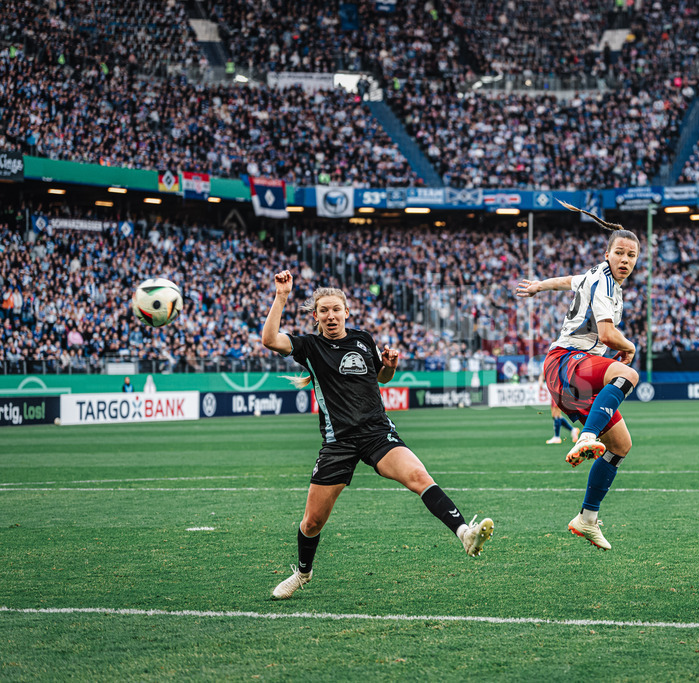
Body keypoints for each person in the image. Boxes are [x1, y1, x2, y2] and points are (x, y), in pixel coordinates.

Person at [261, 269, 494, 599]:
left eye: (336, 309)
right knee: (312, 523)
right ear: (316, 316)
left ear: (346, 311)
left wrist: (389, 366)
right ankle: (302, 573)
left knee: (419, 476)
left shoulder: (363, 339)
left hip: (377, 432)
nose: (331, 315)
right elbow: (270, 340)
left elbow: (380, 377)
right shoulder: (310, 346)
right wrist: (281, 296)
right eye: (324, 311)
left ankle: (465, 534)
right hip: (338, 442)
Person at [515, 203, 640, 550]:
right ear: (607, 254)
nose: (625, 260)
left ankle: (586, 519)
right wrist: (630, 346)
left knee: (620, 445)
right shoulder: (605, 284)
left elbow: (568, 281)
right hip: (566, 360)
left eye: (631, 255)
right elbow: (608, 334)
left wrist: (540, 286)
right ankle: (585, 436)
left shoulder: (594, 275)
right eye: (619, 252)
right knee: (627, 373)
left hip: (576, 371)